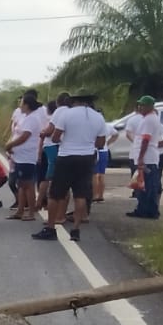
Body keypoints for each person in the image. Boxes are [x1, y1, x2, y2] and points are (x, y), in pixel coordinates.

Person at [34, 91, 108, 243]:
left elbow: (55, 137)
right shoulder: (98, 117)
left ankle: (50, 228)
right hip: (87, 158)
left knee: (55, 194)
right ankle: (76, 229)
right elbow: (100, 144)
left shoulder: (66, 114)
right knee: (80, 195)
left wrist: (67, 141)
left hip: (66, 156)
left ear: (74, 101)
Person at [126, 100, 163, 219]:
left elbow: (145, 139)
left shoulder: (149, 120)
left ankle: (148, 211)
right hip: (148, 157)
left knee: (147, 186)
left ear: (149, 106)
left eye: (142, 105)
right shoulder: (149, 119)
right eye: (139, 105)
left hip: (147, 158)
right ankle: (145, 209)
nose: (140, 107)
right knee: (144, 185)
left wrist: (140, 158)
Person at [8, 91, 46, 222]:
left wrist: (10, 145)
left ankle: (31, 212)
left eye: (22, 102)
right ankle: (20, 210)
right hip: (19, 155)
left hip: (27, 156)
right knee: (21, 184)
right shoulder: (24, 117)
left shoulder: (32, 119)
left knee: (28, 185)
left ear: (27, 105)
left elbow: (24, 137)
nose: (20, 104)